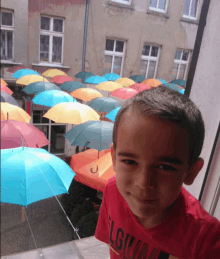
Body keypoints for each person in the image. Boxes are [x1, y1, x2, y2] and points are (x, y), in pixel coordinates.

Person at [95, 86, 220, 259]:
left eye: (165, 167)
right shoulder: (112, 191)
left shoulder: (207, 240)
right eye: (130, 161)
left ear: (191, 172)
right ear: (114, 159)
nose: (143, 182)